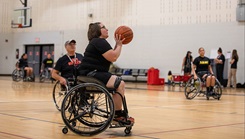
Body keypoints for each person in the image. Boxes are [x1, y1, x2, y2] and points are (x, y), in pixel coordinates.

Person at [78, 22, 134, 124]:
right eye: (104, 27)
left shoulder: (97, 42)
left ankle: (117, 114)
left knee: (118, 82)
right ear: (97, 31)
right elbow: (114, 57)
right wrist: (120, 45)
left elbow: (112, 55)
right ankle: (117, 116)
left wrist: (117, 44)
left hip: (89, 74)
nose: (107, 29)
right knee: (119, 83)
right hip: (91, 74)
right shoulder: (99, 41)